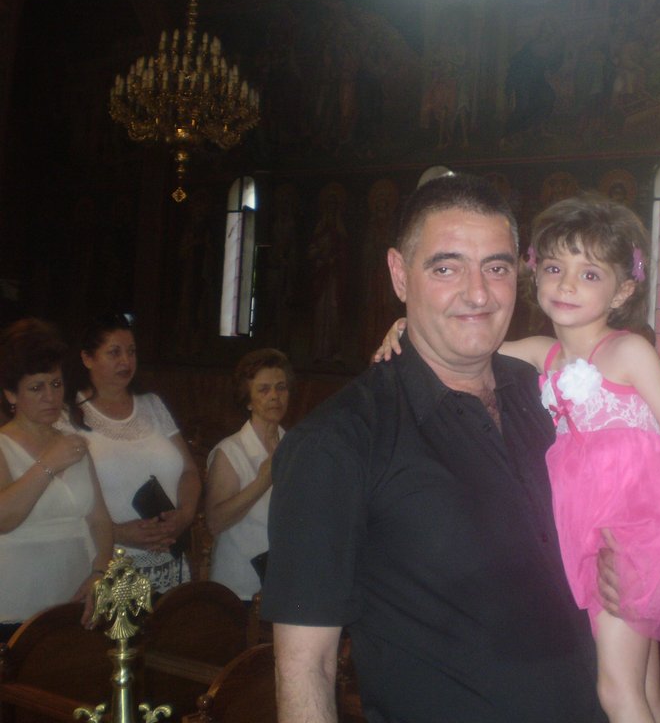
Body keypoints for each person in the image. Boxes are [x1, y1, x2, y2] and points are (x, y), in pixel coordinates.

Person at [378, 193, 660, 723]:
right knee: (644, 692)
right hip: (584, 533)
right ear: (535, 275)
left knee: (616, 692)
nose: (567, 284)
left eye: (589, 274)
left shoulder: (628, 352)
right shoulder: (541, 353)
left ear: (622, 290)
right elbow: (459, 345)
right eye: (554, 268)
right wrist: (406, 328)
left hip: (632, 533)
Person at [262, 174, 606, 723]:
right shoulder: (336, 443)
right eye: (446, 268)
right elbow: (307, 666)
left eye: (496, 268)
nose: (478, 294)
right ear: (400, 274)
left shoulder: (551, 396)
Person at [68, 314, 199, 595]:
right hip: (108, 562)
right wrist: (117, 532)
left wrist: (185, 515)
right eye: (114, 352)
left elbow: (189, 471)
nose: (126, 361)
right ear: (87, 358)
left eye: (131, 351)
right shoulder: (69, 416)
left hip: (167, 559)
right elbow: (66, 502)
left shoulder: (152, 404)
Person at [0, 318, 112, 641]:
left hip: (74, 601)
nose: (50, 396)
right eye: (36, 388)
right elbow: (4, 519)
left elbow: (100, 520)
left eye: (56, 384)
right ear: (11, 394)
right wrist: (48, 464)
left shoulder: (73, 444)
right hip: (15, 606)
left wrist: (100, 572)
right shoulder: (3, 445)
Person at [204, 348, 293, 602]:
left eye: (281, 387)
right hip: (239, 588)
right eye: (264, 390)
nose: (274, 396)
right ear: (248, 400)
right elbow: (215, 522)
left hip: (284, 583)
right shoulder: (230, 451)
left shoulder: (294, 445)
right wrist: (263, 481)